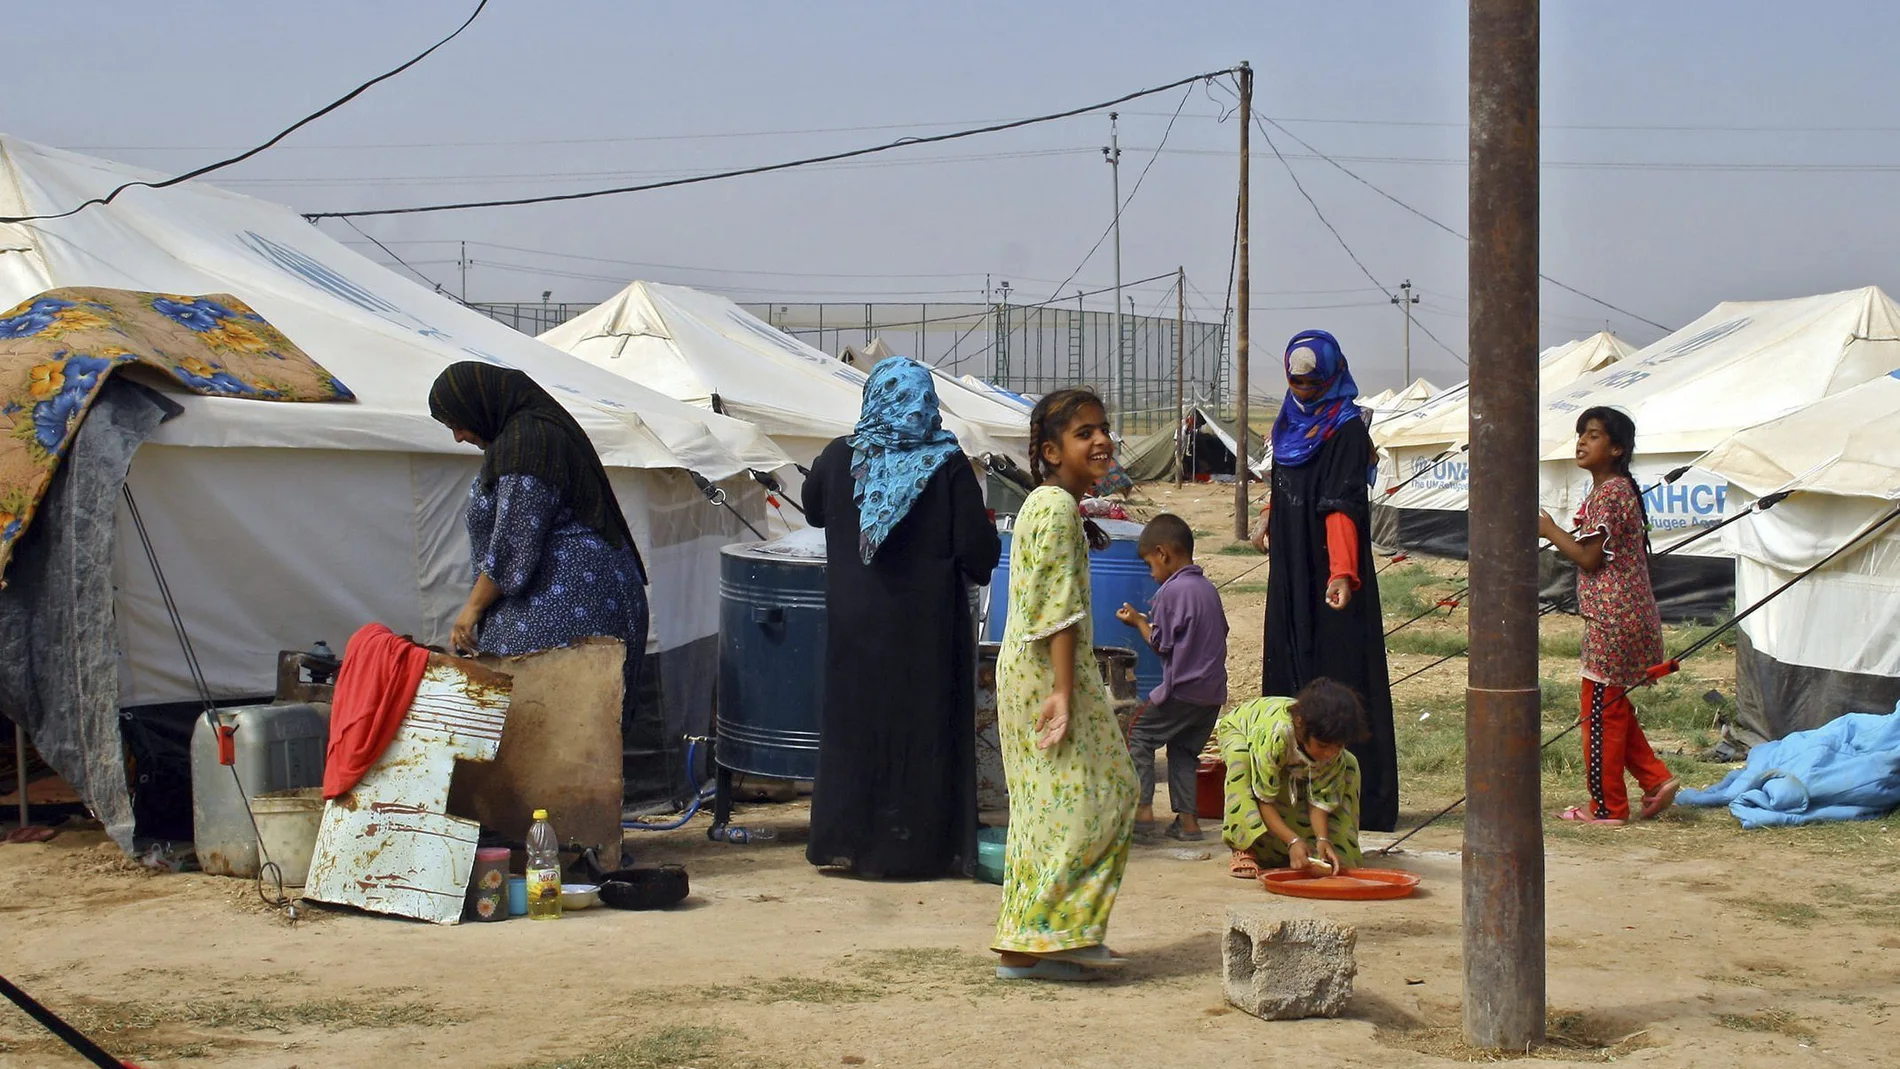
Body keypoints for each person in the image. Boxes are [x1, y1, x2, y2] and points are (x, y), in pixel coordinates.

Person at [802, 358, 1001, 878]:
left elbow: (813, 508)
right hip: (926, 639)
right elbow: (979, 555)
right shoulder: (947, 463)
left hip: (855, 634)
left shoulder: (837, 458)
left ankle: (848, 843)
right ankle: (917, 851)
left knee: (855, 731)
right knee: (923, 733)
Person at [992, 387, 1139, 983]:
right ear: (1051, 451)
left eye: (1102, 429)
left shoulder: (1050, 504)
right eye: (1085, 434)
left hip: (1041, 671)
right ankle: (1058, 931)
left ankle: (1025, 945)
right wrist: (1063, 689)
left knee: (1044, 808)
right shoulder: (1053, 507)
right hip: (1046, 675)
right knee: (1103, 794)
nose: (1101, 441)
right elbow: (1056, 606)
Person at [427, 362, 649, 683]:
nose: (459, 437)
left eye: (457, 424)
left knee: (552, 722)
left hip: (568, 611)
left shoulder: (527, 443)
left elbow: (514, 541)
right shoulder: (527, 436)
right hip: (580, 603)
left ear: (478, 406)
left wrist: (471, 611)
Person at [1261, 329, 1399, 833]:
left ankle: (1350, 800)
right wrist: (1270, 519)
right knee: (1289, 660)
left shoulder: (1344, 429)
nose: (1303, 390)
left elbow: (1341, 503)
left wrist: (1343, 572)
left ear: (1331, 374)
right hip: (1290, 568)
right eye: (1296, 382)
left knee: (1336, 667)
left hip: (1328, 570)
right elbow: (1286, 482)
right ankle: (1287, 794)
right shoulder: (1289, 423)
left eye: (1312, 383)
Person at [1539, 406, 1676, 825]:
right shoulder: (1612, 491)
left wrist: (1547, 529)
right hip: (1627, 613)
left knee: (1598, 710)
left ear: (1616, 448)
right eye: (1581, 433)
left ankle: (1607, 806)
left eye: (1594, 435)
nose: (1582, 441)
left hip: (1613, 617)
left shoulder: (1611, 493)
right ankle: (1655, 778)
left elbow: (1589, 557)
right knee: (1611, 705)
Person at [1114, 513, 1228, 842]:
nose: (1152, 574)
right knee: (1183, 751)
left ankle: (1142, 811)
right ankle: (1188, 822)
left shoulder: (1170, 592)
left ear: (1163, 554)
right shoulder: (1207, 589)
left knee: (1140, 735)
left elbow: (1161, 645)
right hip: (1212, 693)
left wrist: (1137, 621)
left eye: (1151, 565)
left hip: (1182, 689)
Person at [1217, 679, 1369, 879]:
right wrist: (1293, 841)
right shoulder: (1277, 735)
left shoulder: (1330, 743)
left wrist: (1323, 839)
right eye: (1323, 746)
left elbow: (1320, 800)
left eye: (1338, 746)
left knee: (1349, 763)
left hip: (1287, 742)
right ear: (1300, 725)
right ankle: (1244, 846)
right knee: (1241, 760)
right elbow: (1264, 798)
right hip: (1240, 729)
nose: (1330, 753)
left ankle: (1320, 851)